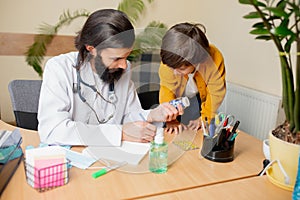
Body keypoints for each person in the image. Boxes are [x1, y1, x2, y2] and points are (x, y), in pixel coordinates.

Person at [37, 9, 183, 146]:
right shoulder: (59, 68)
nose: (124, 65)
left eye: (126, 57)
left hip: (114, 155)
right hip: (76, 156)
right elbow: (53, 130)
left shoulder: (123, 69)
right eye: (116, 58)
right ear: (91, 49)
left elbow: (128, 117)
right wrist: (120, 134)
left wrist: (153, 114)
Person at [159, 22, 226, 133]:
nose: (174, 73)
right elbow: (166, 91)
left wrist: (205, 118)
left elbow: (216, 93)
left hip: (199, 99)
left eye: (180, 69)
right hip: (177, 99)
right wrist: (170, 120)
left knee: (197, 131)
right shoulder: (170, 61)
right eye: (172, 68)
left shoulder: (214, 59)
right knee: (173, 132)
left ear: (196, 61)